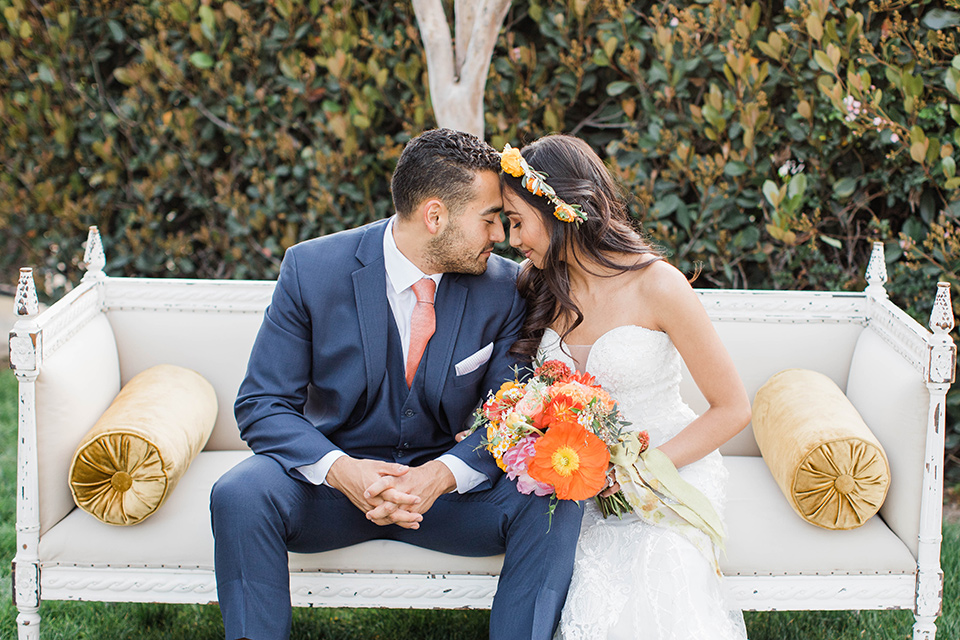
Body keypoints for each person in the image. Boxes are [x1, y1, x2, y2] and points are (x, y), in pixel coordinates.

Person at [209, 128, 583, 640]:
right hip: (334, 489)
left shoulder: (506, 289)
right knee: (239, 493)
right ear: (435, 217)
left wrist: (439, 476)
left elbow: (511, 413)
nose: (501, 235)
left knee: (553, 500)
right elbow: (262, 403)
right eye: (490, 219)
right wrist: (343, 471)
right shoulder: (312, 269)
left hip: (448, 497)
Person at [497, 135, 752, 639]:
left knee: (656, 566)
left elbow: (732, 408)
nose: (511, 238)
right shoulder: (537, 286)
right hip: (574, 480)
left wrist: (641, 472)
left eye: (516, 220)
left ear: (559, 211)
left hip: (669, 464)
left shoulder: (658, 285)